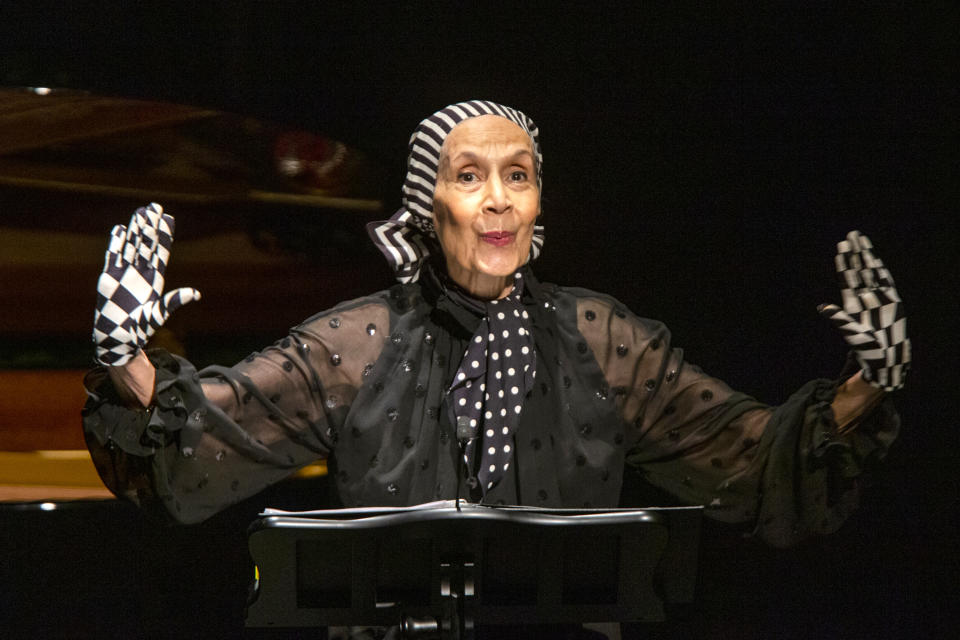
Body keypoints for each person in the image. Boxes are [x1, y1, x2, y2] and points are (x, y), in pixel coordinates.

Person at [83, 100, 907, 549]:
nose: (498, 199)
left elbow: (752, 459)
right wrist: (128, 362)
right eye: (469, 175)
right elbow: (211, 443)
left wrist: (870, 384)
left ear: (540, 201)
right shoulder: (355, 343)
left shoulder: (603, 339)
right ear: (425, 203)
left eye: (518, 175)